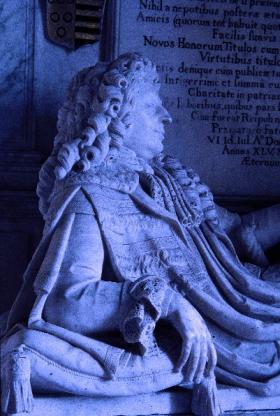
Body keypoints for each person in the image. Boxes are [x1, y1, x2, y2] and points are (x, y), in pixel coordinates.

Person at [1, 53, 280, 416]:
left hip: (243, 310)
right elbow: (66, 300)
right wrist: (170, 303)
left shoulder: (170, 183)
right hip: (221, 338)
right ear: (118, 118)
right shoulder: (90, 193)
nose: (166, 116)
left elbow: (242, 233)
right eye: (153, 106)